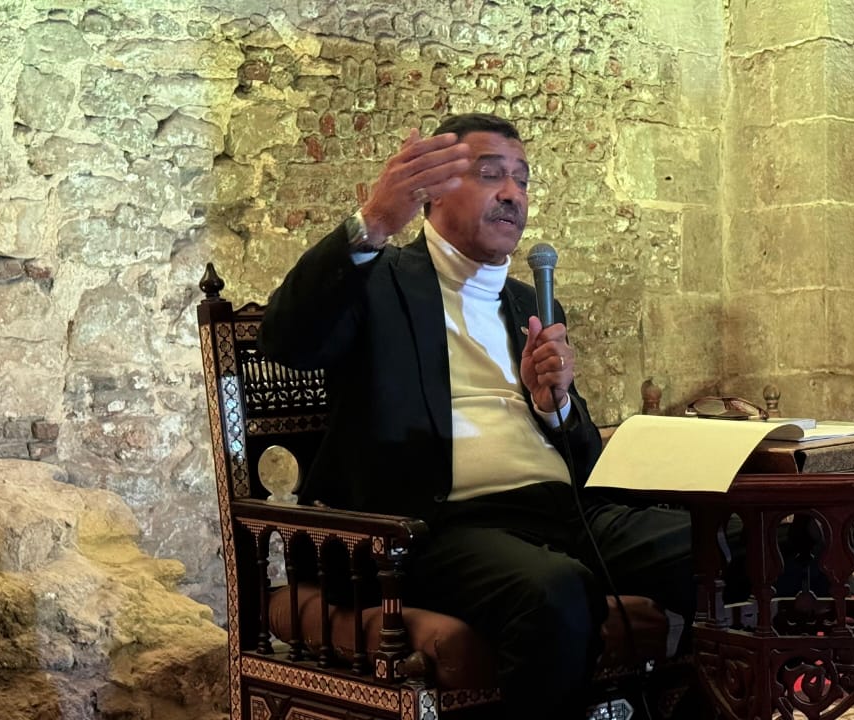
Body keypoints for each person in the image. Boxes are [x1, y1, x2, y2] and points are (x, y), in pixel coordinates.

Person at [259, 113, 702, 719]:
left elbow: (585, 460)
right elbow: (286, 340)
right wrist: (374, 222)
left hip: (566, 514)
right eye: (491, 174)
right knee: (555, 589)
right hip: (439, 529)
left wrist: (556, 407)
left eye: (522, 178)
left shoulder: (530, 301)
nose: (512, 193)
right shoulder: (378, 281)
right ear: (434, 192)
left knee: (738, 544)